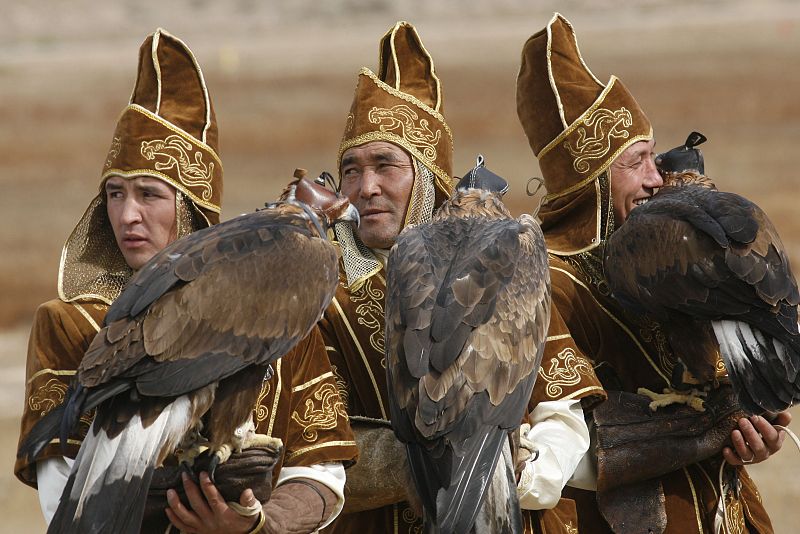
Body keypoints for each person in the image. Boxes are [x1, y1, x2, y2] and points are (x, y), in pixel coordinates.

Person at [16, 29, 357, 534]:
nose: (128, 215)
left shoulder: (284, 298)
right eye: (114, 194)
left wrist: (258, 524)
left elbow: (322, 469)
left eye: (149, 195)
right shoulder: (70, 322)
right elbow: (63, 494)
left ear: (189, 205)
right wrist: (179, 497)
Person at [512, 13, 791, 533]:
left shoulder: (671, 250)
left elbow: (723, 382)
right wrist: (701, 427)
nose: (656, 179)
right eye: (637, 162)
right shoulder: (541, 280)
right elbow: (554, 444)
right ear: (592, 178)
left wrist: (753, 426)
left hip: (723, 510)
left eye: (653, 159)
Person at [316, 21, 455, 533]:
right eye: (350, 170)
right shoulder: (315, 291)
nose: (366, 186)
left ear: (426, 179)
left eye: (386, 166)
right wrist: (417, 458)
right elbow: (301, 446)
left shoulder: (493, 274)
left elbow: (558, 411)